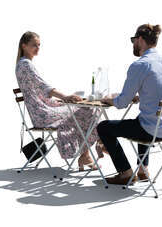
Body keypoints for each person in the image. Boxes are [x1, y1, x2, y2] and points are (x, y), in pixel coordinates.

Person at [97, 24, 162, 185]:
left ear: (140, 40)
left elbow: (121, 103)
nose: (133, 44)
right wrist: (140, 96)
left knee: (103, 127)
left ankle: (126, 173)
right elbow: (160, 91)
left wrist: (109, 100)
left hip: (151, 129)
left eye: (134, 40)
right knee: (143, 118)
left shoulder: (140, 65)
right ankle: (143, 169)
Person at [15, 31, 103, 170]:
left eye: (39, 45)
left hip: (42, 110)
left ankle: (87, 153)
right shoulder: (25, 65)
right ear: (24, 46)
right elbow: (44, 86)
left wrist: (61, 101)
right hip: (42, 115)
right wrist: (65, 98)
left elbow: (39, 91)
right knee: (87, 110)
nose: (38, 48)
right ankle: (96, 146)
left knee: (82, 110)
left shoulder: (22, 64)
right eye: (34, 45)